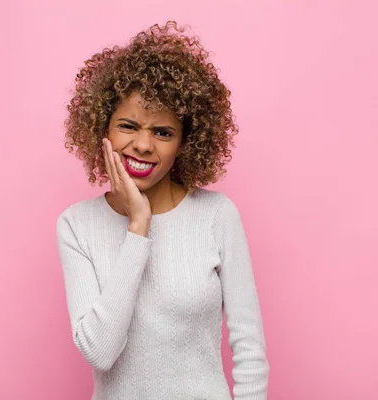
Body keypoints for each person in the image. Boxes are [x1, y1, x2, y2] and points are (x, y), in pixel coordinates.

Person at [56, 21, 269, 400]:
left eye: (163, 132)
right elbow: (100, 352)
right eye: (128, 126)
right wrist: (139, 226)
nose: (142, 144)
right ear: (101, 128)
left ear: (186, 143)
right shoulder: (77, 225)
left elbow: (249, 351)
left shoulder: (217, 216)